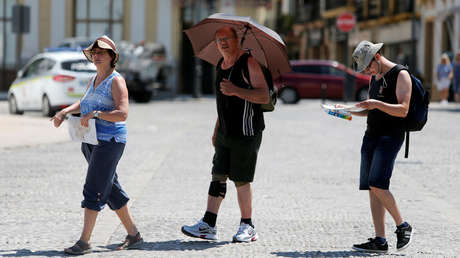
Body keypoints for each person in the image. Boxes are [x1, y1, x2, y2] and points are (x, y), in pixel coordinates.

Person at [51, 35, 143, 255]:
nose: (97, 56)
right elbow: (84, 103)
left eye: (102, 52)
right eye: (94, 53)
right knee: (111, 189)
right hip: (91, 140)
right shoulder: (94, 79)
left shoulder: (116, 80)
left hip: (110, 142)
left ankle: (84, 242)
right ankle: (134, 234)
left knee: (93, 188)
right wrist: (64, 111)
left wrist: (98, 113)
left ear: (113, 57)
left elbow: (123, 114)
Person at [181, 26, 269, 242]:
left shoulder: (249, 63)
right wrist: (216, 128)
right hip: (225, 131)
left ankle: (248, 226)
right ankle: (208, 225)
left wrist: (236, 90)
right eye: (218, 39)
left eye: (226, 38)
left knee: (241, 179)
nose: (222, 43)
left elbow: (264, 96)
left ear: (237, 39)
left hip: (246, 131)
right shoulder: (221, 64)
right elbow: (224, 102)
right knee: (218, 174)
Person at [349, 40, 414, 253]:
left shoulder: (400, 74)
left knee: (378, 184)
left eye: (368, 66)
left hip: (390, 136)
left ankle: (403, 226)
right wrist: (347, 111)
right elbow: (372, 110)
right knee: (372, 188)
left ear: (377, 57)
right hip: (371, 135)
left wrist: (376, 103)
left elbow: (403, 109)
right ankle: (380, 240)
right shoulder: (374, 78)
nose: (367, 71)